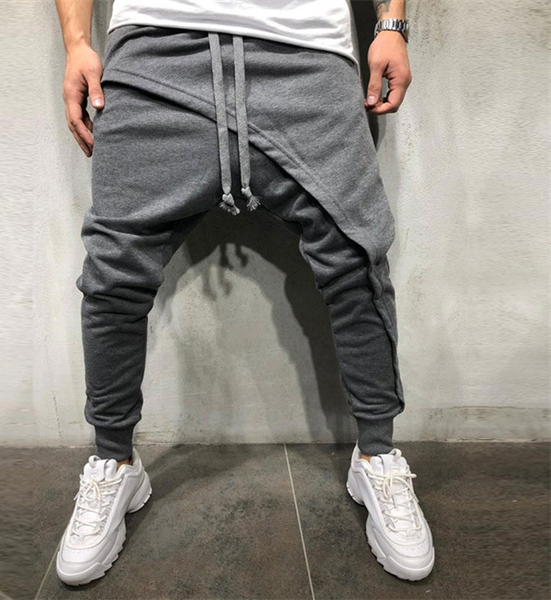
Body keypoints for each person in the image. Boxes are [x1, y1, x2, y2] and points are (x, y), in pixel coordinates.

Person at [53, 0, 434, 586]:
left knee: (357, 262)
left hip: (307, 50)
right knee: (113, 275)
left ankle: (376, 456)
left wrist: (392, 23)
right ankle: (113, 462)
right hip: (155, 50)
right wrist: (77, 42)